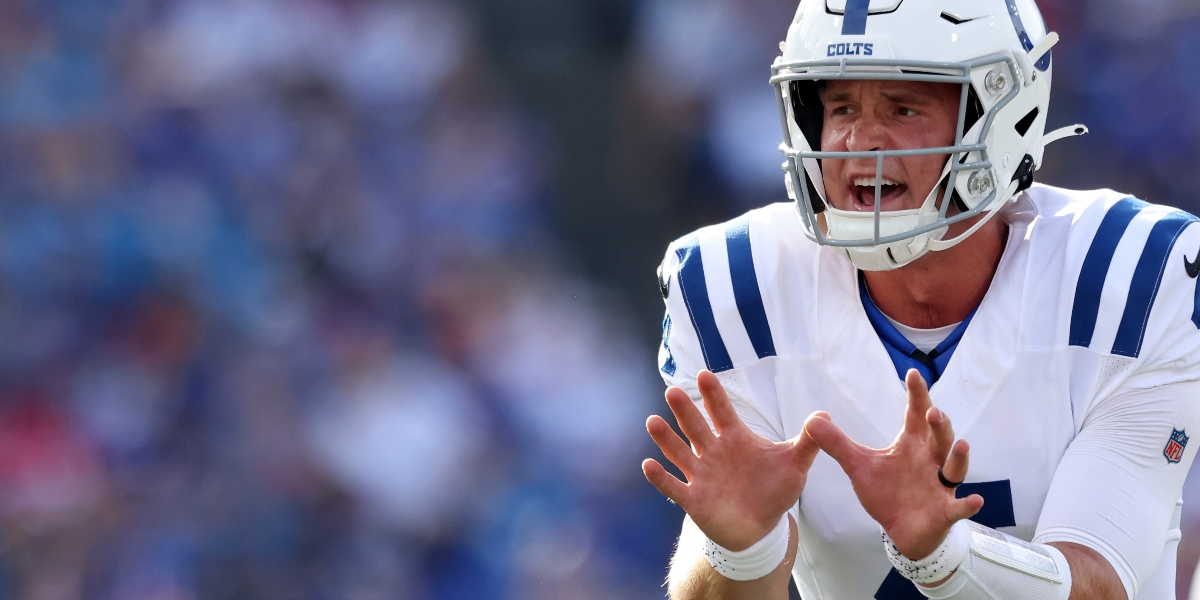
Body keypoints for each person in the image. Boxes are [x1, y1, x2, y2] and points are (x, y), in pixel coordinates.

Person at [641, 0, 1200, 598]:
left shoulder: (1132, 277)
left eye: (903, 107)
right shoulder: (738, 288)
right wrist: (741, 552)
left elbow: (1098, 586)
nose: (860, 140)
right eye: (840, 106)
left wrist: (943, 556)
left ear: (1000, 115)